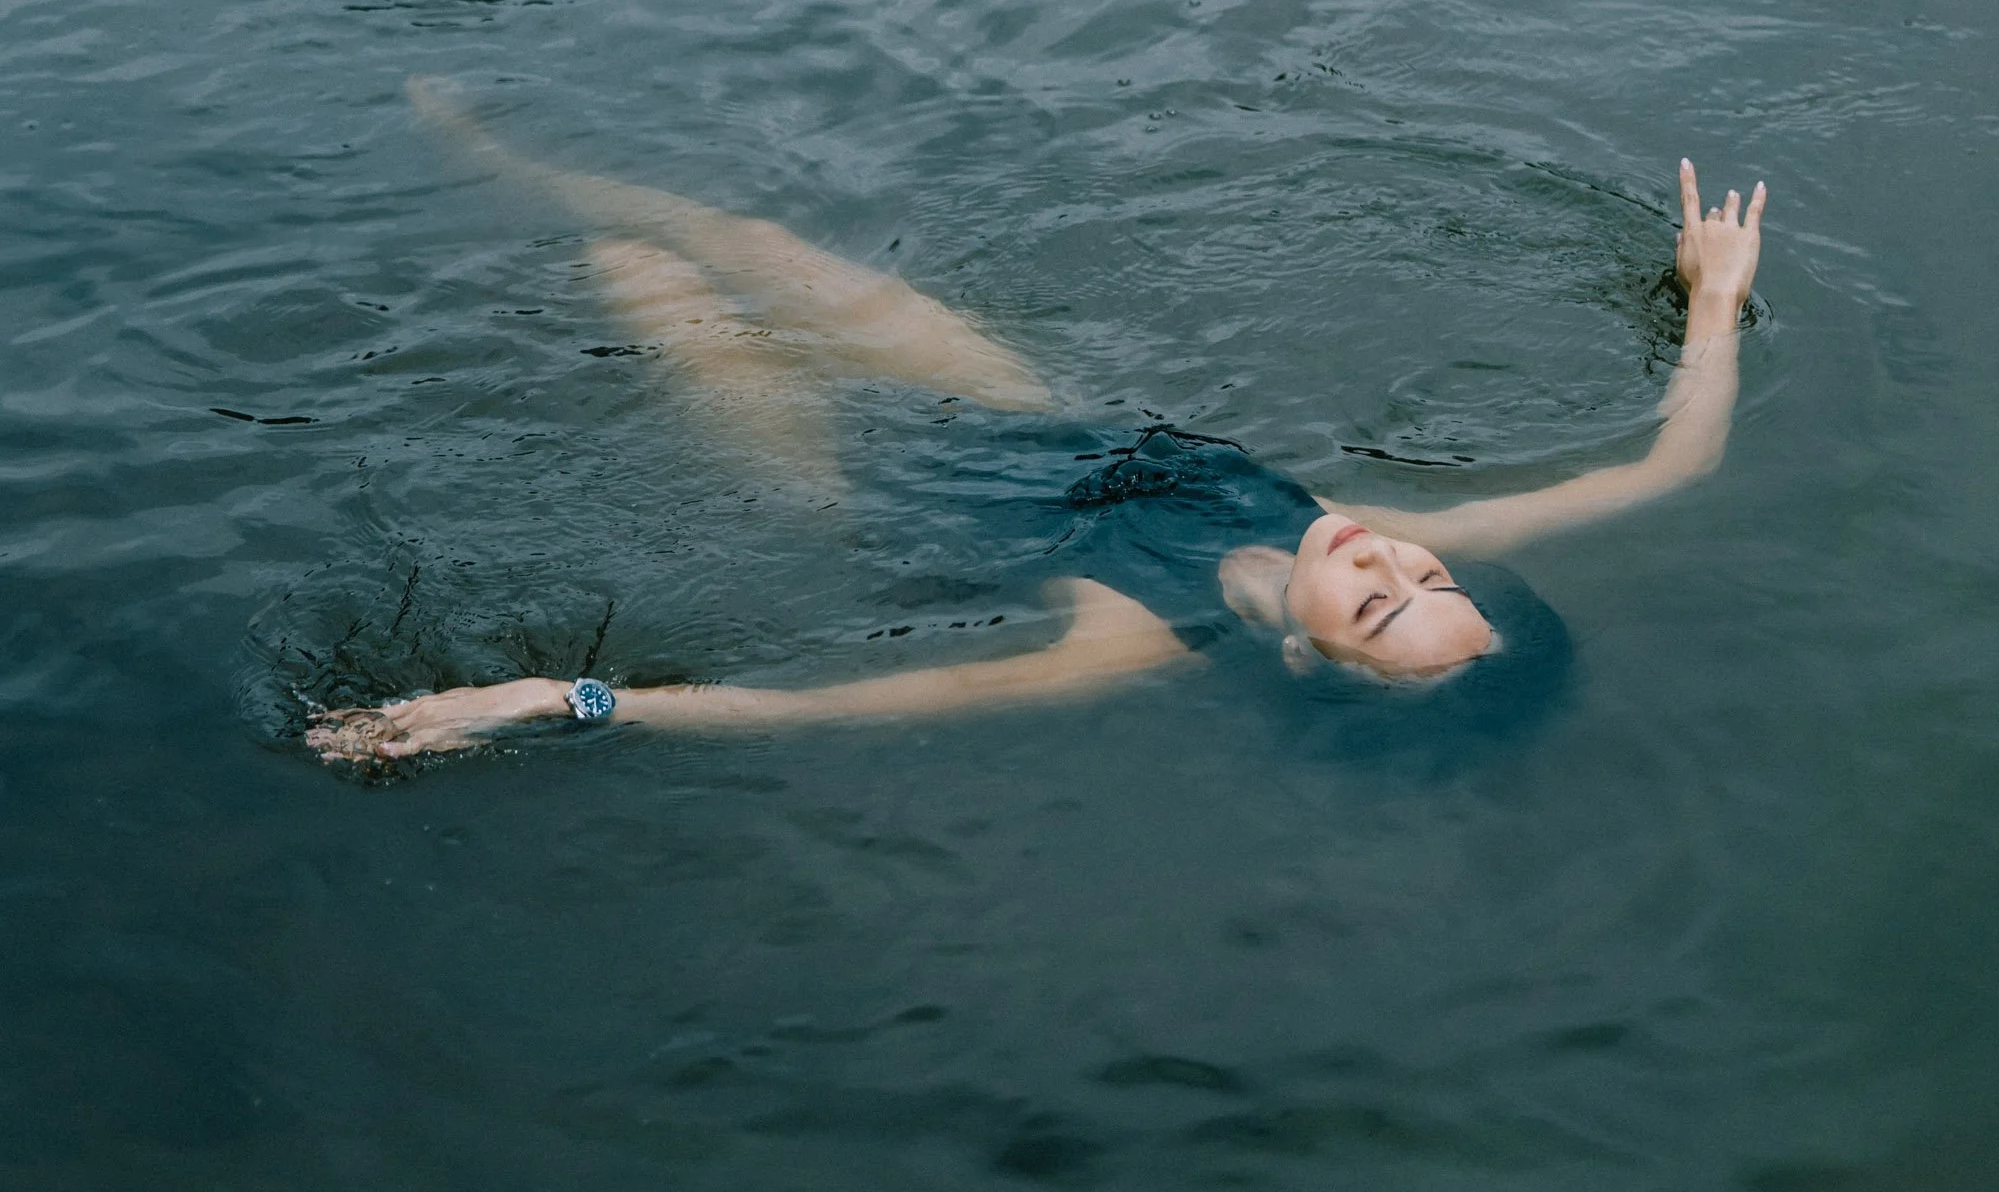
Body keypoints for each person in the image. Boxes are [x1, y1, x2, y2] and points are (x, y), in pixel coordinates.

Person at [307, 90, 1763, 768]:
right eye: (1430, 579)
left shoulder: (1132, 641)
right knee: (746, 234)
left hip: (849, 487)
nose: (1393, 557)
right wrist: (1711, 300)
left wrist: (552, 700)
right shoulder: (1363, 536)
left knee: (646, 282)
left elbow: (821, 710)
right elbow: (1667, 466)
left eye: (1378, 605)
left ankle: (383, 247)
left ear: (1303, 650)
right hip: (1016, 419)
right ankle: (487, 156)